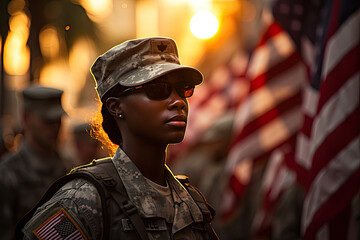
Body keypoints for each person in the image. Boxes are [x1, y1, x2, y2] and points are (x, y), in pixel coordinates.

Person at [19, 37, 218, 239]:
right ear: (116, 106)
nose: (178, 102)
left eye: (183, 89)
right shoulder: (82, 201)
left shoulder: (192, 201)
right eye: (158, 89)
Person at [0, 85, 69, 240]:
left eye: (58, 120)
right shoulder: (7, 173)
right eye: (47, 121)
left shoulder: (70, 168)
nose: (55, 127)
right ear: (26, 118)